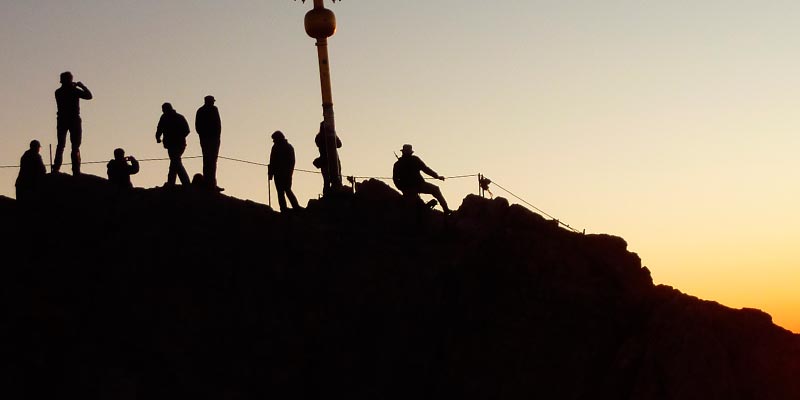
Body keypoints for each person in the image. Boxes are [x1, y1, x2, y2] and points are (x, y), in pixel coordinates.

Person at [53, 71, 93, 175]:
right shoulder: (74, 91)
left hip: (62, 119)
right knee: (75, 145)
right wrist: (81, 86)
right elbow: (89, 96)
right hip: (74, 119)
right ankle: (76, 170)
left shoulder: (58, 92)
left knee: (61, 145)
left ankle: (56, 167)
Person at [392, 144, 451, 214]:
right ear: (411, 152)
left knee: (414, 205)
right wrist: (437, 176)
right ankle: (446, 210)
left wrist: (402, 189)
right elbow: (426, 169)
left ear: (402, 152)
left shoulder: (398, 164)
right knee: (436, 189)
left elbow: (395, 179)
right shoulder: (415, 159)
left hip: (408, 188)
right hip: (419, 185)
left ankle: (445, 210)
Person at [155, 102, 191, 186]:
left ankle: (184, 182)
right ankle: (173, 182)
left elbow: (186, 130)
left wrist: (178, 137)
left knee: (175, 162)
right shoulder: (165, 118)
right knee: (175, 162)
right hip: (172, 144)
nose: (163, 111)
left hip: (178, 144)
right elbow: (159, 128)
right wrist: (158, 137)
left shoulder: (177, 117)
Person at [268, 131, 301, 212]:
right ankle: (292, 207)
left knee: (283, 191)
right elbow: (273, 161)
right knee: (285, 190)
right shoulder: (288, 147)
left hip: (282, 173)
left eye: (274, 139)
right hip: (284, 173)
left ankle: (288, 208)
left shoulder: (277, 147)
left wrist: (271, 173)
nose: (273, 141)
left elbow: (273, 161)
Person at [195, 95, 223, 191]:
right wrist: (216, 137)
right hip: (212, 140)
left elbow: (197, 127)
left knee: (207, 161)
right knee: (211, 162)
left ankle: (209, 183)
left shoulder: (200, 111)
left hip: (205, 140)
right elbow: (218, 125)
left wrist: (203, 136)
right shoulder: (213, 109)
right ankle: (210, 184)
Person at [314, 121, 342, 195]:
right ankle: (332, 195)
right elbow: (339, 144)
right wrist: (333, 134)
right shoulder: (324, 137)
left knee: (327, 181)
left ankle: (329, 195)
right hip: (330, 161)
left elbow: (339, 144)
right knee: (333, 179)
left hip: (327, 161)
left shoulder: (319, 137)